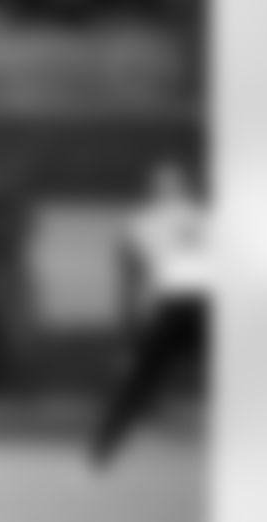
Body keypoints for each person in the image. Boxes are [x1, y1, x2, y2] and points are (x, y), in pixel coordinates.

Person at [89, 160, 210, 470]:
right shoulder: (152, 223)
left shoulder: (148, 223)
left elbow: (130, 280)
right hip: (179, 305)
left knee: (138, 384)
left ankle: (102, 451)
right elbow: (131, 282)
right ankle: (101, 451)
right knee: (138, 383)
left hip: (193, 303)